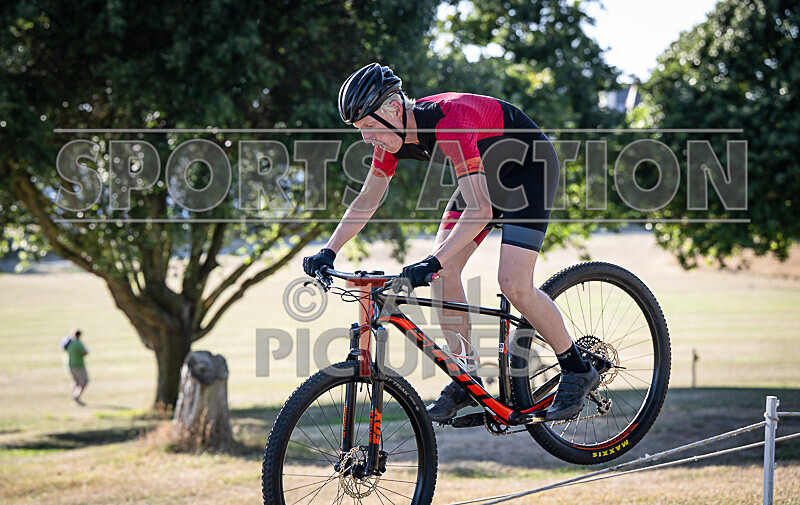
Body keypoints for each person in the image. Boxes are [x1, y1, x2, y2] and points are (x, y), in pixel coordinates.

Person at [303, 63, 599, 422]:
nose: (366, 138)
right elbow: (368, 198)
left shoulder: (450, 122)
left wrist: (432, 261)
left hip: (528, 172)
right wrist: (329, 249)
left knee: (513, 284)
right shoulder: (391, 137)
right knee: (443, 274)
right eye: (359, 130)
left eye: (368, 126)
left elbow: (480, 209)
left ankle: (577, 368)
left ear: (394, 109)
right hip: (484, 182)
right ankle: (466, 375)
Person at [62, 328, 89, 405]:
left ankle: (74, 395)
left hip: (69, 365)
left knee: (76, 382)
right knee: (84, 381)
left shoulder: (69, 342)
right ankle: (76, 397)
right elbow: (84, 353)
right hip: (78, 365)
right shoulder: (78, 343)